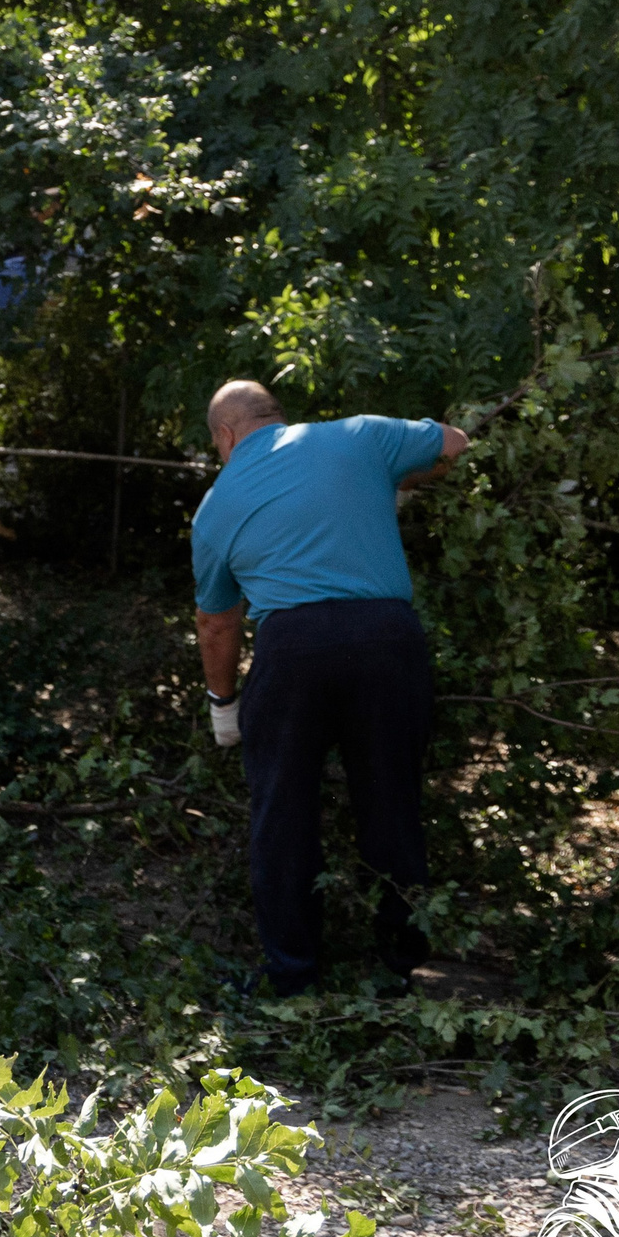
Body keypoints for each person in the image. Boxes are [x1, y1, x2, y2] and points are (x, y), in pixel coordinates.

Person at [192, 379, 470, 996]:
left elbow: (217, 622)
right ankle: (401, 968)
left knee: (283, 814)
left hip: (292, 650)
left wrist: (224, 708)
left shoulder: (216, 505)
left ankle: (293, 979)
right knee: (392, 801)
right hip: (387, 638)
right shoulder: (362, 436)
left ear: (227, 435)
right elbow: (453, 445)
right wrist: (395, 480)